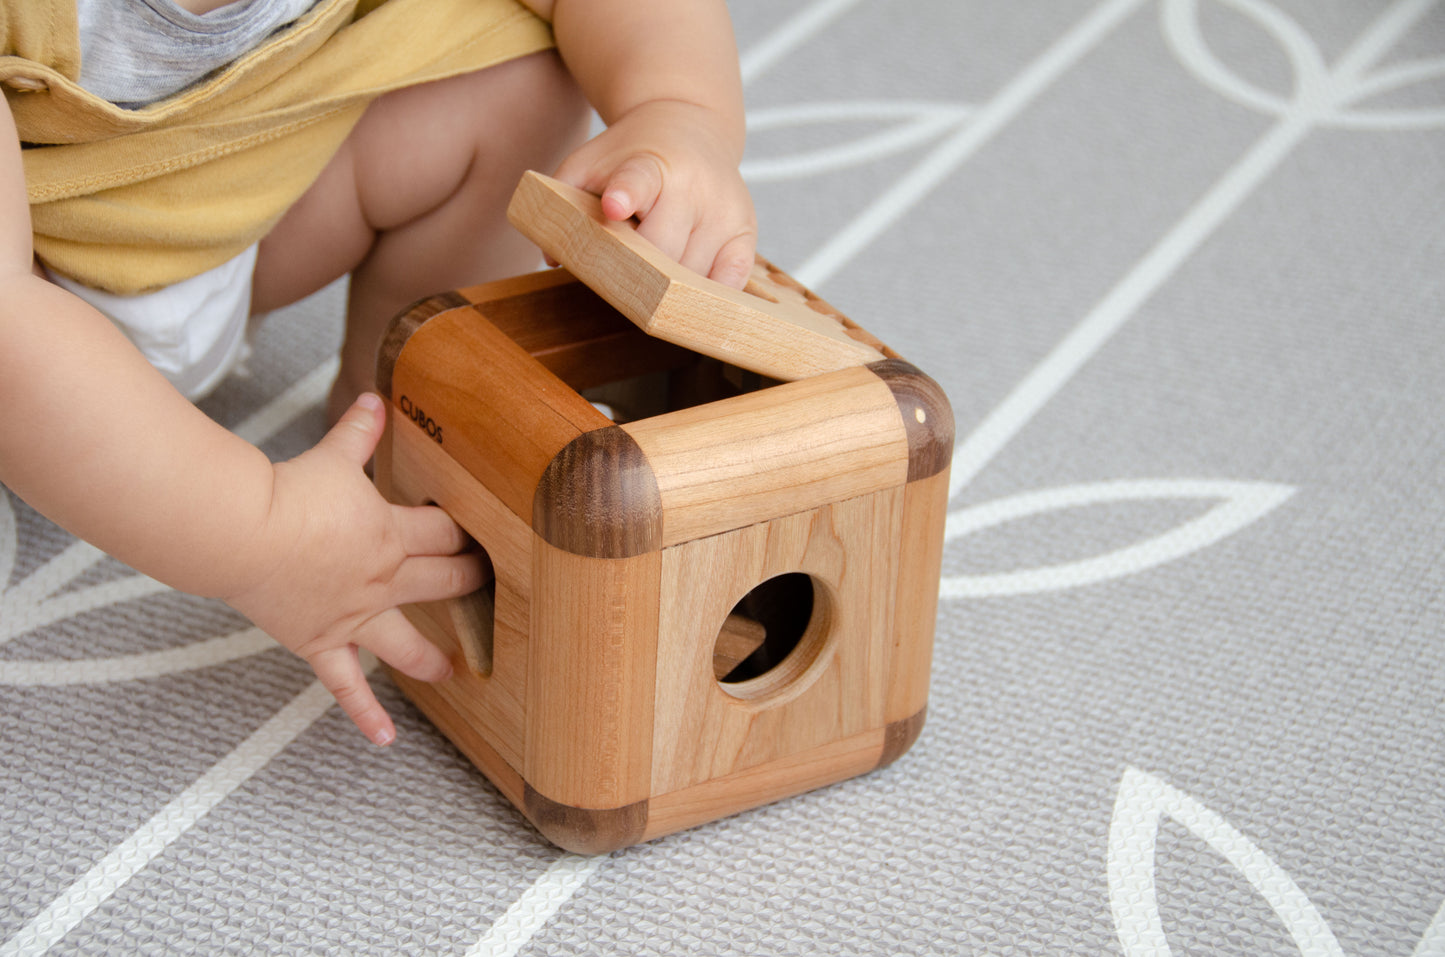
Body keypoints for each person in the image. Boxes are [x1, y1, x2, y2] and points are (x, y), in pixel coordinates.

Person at [0, 0, 757, 746]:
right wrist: (265, 534)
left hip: (223, 217)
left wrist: (678, 108)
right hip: (31, 276)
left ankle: (408, 440)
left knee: (518, 80)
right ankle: (279, 516)